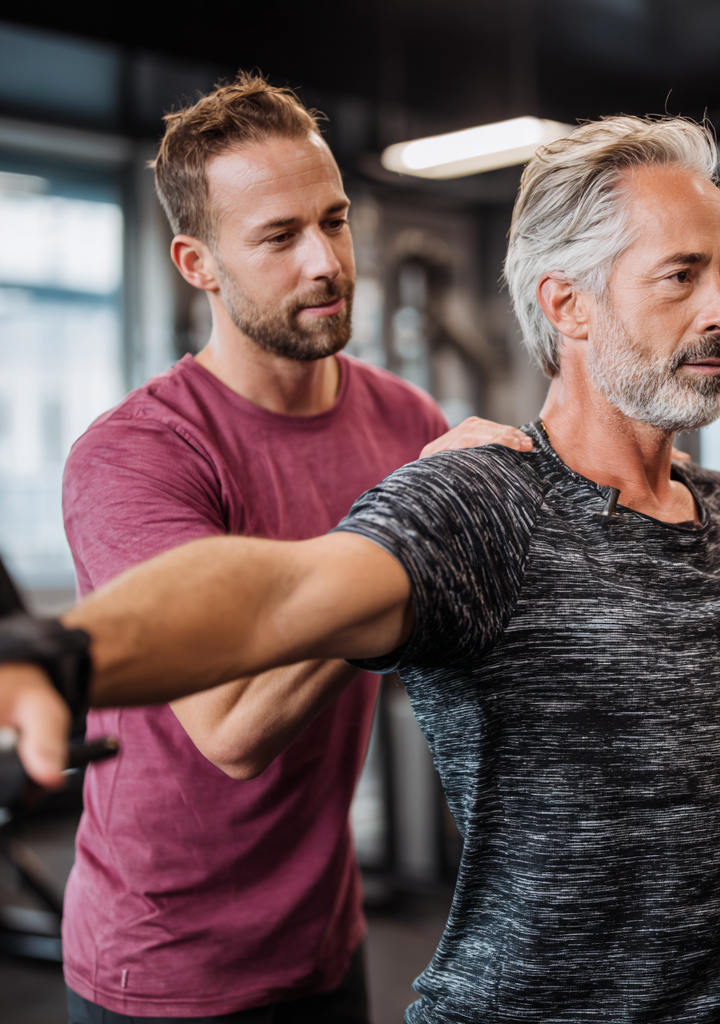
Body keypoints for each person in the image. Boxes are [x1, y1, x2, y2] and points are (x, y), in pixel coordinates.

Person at [3, 114, 720, 1023]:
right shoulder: (459, 498)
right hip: (174, 946)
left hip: (346, 925)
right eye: (681, 275)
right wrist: (62, 650)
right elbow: (280, 602)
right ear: (566, 307)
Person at [53, 73, 531, 1024]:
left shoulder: (402, 418)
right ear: (197, 262)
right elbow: (231, 731)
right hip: (165, 970)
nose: (325, 261)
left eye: (335, 220)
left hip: (325, 943)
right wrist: (410, 521)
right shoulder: (138, 456)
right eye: (278, 236)